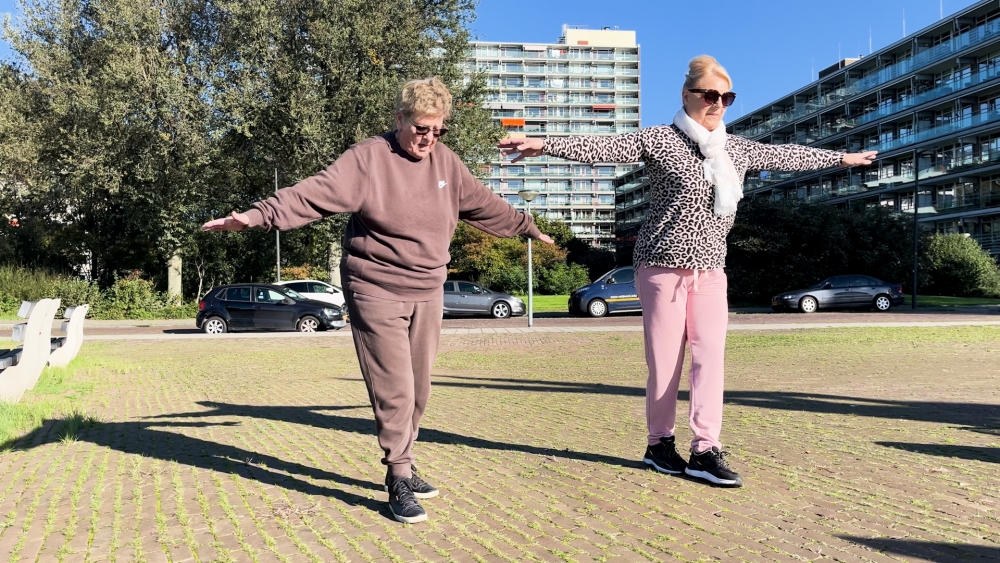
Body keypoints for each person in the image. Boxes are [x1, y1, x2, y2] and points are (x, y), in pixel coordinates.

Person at [499, 55, 876, 487]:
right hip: (662, 266)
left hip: (711, 268)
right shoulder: (661, 140)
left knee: (710, 359)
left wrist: (842, 159)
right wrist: (544, 144)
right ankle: (659, 444)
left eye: (726, 97)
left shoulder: (736, 149)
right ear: (687, 95)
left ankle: (705, 450)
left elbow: (786, 154)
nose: (718, 103)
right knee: (665, 363)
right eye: (710, 95)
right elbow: (604, 147)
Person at [203, 77, 553, 522]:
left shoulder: (446, 162)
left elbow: (483, 203)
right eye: (421, 129)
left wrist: (524, 224)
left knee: (419, 387)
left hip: (427, 288)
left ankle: (406, 458)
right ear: (400, 119)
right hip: (375, 286)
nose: (429, 139)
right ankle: (397, 476)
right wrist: (257, 216)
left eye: (438, 130)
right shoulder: (368, 159)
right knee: (395, 387)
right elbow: (311, 193)